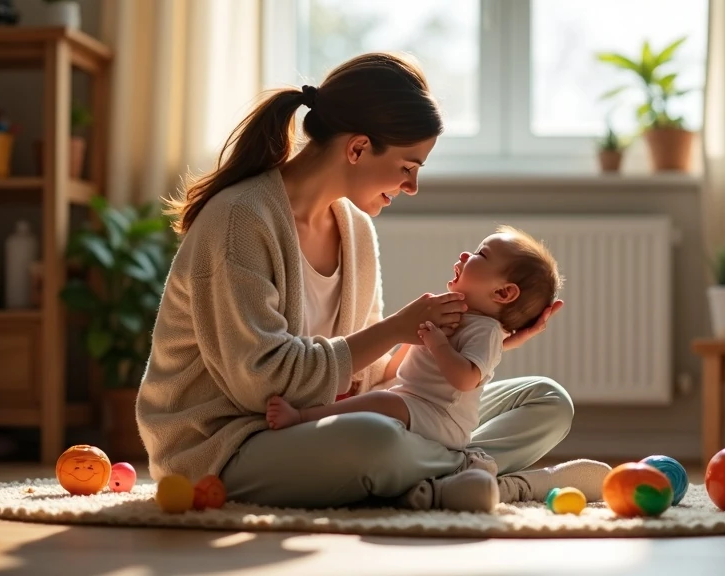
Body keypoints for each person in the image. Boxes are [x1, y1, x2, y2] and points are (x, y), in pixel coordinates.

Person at [136, 52, 611, 513]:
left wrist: (481, 346)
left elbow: (372, 378)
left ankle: (445, 479)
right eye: (408, 167)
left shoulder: (355, 229)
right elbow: (262, 388)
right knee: (376, 442)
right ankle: (496, 480)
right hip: (230, 444)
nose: (412, 187)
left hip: (326, 422)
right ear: (358, 148)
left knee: (547, 399)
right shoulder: (240, 220)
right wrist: (397, 329)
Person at [266, 226, 563, 456]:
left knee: (384, 402)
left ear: (502, 293)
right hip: (415, 401)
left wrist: (437, 343)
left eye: (480, 255)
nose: (464, 256)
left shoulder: (485, 329)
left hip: (442, 420)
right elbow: (402, 367)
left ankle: (303, 418)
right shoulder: (461, 316)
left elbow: (465, 377)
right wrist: (413, 335)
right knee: (381, 399)